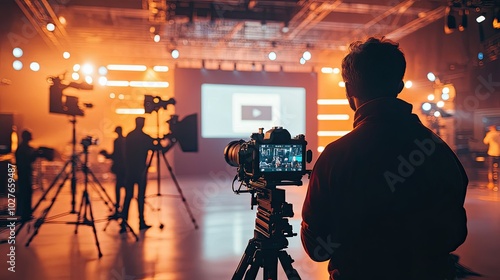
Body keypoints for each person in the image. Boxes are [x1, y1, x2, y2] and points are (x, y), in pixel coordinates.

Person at [301, 37, 468, 280]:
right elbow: (455, 233)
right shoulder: (439, 150)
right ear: (399, 86)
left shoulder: (335, 156)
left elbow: (317, 248)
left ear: (349, 90)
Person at [121, 117, 155, 232]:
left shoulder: (129, 136)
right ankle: (141, 222)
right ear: (143, 124)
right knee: (141, 197)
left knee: (128, 197)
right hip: (140, 172)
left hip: (130, 171)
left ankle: (123, 223)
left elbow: (125, 154)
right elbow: (159, 149)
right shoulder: (145, 138)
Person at [100, 126, 126, 212]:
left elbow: (116, 155)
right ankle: (123, 206)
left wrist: (107, 155)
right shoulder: (125, 141)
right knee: (124, 187)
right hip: (124, 168)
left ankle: (118, 205)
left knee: (118, 186)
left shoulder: (117, 141)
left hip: (120, 168)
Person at [15, 130, 38, 220]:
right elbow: (28, 160)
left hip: (24, 173)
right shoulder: (23, 149)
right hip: (24, 173)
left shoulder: (23, 148)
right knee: (26, 192)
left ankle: (24, 212)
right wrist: (35, 154)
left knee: (24, 192)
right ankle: (26, 213)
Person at [483, 124, 500, 190]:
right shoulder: (499, 134)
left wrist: (489, 134)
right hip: (499, 153)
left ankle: (491, 183)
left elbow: (485, 141)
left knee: (491, 169)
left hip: (492, 153)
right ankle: (497, 183)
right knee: (498, 169)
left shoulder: (490, 134)